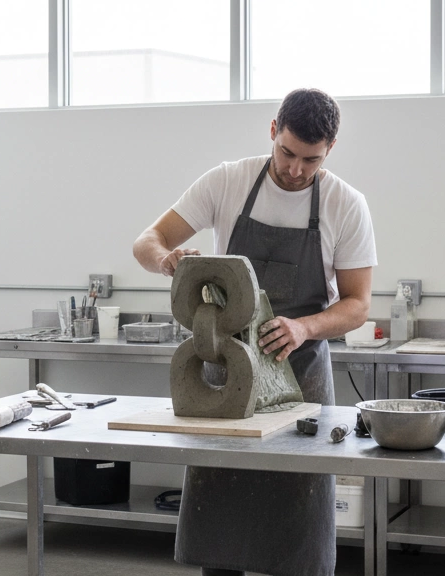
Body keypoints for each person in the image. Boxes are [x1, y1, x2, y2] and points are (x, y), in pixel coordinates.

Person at [132, 88, 377, 576]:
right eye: (287, 152)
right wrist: (167, 260)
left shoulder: (345, 205)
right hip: (227, 374)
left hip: (300, 379)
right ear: (272, 131)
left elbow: (357, 307)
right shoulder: (229, 182)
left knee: (297, 529)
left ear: (331, 148)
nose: (295, 169)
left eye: (311, 159)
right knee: (221, 523)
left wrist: (305, 326)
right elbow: (147, 241)